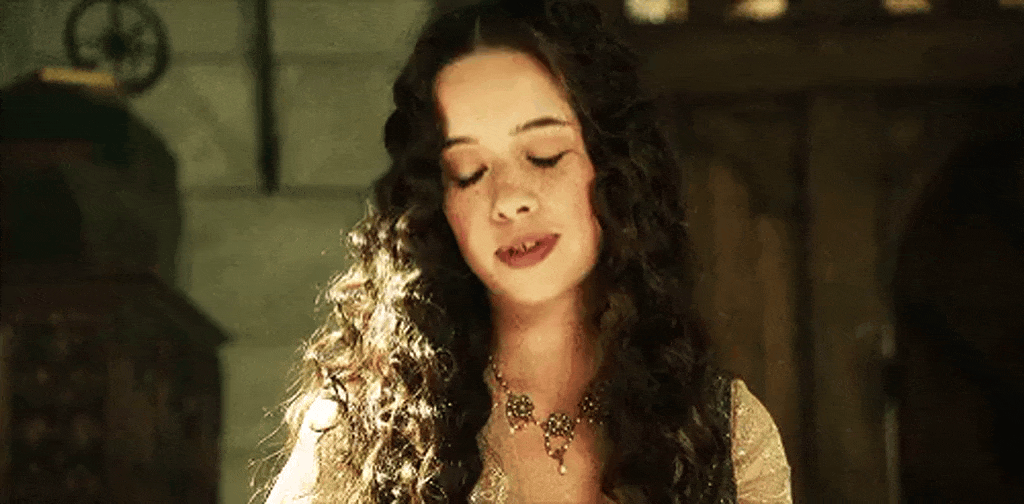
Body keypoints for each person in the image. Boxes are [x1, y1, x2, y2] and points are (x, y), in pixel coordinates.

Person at [263, 1, 791, 503]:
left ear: (613, 169)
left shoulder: (724, 434)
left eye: (544, 155)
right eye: (469, 172)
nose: (509, 200)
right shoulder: (359, 434)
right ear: (437, 206)